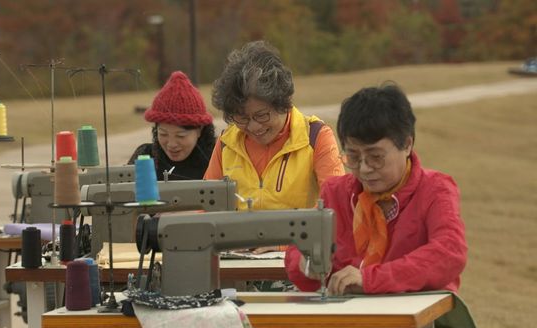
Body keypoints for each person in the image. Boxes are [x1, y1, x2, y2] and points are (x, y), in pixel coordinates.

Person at [285, 83, 468, 297]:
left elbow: (450, 253)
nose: (364, 168)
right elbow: (300, 246)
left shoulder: (435, 190)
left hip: (417, 321)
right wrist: (305, 262)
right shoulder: (336, 192)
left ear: (407, 145)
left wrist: (370, 279)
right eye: (353, 157)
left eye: (376, 157)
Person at [204, 40, 344, 255]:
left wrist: (283, 245)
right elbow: (205, 207)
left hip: (298, 259)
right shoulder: (226, 142)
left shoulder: (316, 137)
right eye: (241, 118)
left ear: (283, 103)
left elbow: (336, 211)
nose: (252, 127)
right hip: (238, 261)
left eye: (262, 115)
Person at [128, 71, 216, 180]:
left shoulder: (217, 159)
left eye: (180, 136)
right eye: (163, 134)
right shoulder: (145, 158)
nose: (171, 144)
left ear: (200, 129)